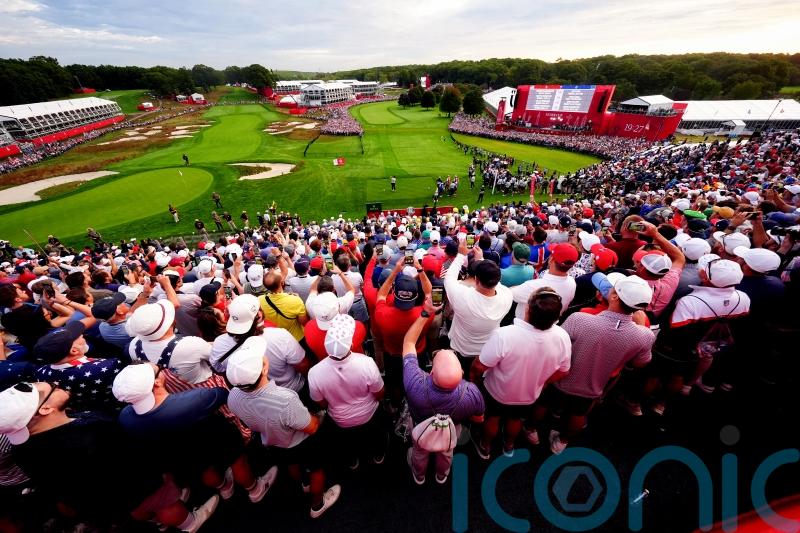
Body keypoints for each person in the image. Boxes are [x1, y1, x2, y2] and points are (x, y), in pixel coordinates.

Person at [0, 382, 216, 532]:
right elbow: (133, 456)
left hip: (106, 499)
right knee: (166, 505)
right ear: (46, 409)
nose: (56, 384)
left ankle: (158, 520)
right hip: (137, 484)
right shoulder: (91, 436)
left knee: (140, 510)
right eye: (52, 389)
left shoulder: (21, 448)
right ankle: (189, 523)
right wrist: (159, 471)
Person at [225, 340, 340, 518]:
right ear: (264, 369)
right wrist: (318, 416)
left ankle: (304, 483)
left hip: (274, 444)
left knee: (292, 464)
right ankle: (318, 504)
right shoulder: (284, 399)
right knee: (317, 470)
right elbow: (312, 427)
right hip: (301, 443)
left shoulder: (232, 397)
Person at [545, 275, 656, 453]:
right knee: (578, 414)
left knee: (546, 404)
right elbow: (640, 363)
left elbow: (555, 345)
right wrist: (641, 327)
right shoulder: (644, 335)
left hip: (560, 379)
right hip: (593, 388)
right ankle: (562, 442)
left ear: (614, 296)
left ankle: (533, 429)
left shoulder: (579, 319)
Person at [470, 288, 570, 459]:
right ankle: (509, 446)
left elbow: (479, 366)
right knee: (515, 419)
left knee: (493, 418)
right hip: (528, 395)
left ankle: (485, 447)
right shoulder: (562, 337)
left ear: (528, 309)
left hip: (497, 391)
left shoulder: (505, 335)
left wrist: (475, 384)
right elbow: (564, 371)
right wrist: (543, 383)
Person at [403, 297, 485, 484]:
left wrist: (425, 313)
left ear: (431, 372)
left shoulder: (415, 383)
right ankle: (442, 475)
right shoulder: (472, 392)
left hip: (420, 425)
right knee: (447, 450)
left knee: (420, 450)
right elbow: (479, 418)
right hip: (451, 427)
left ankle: (419, 475)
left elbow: (408, 343)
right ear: (462, 373)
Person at [308, 314, 387, 470]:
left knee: (347, 445)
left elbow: (321, 403)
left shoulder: (314, 373)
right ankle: (378, 455)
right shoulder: (366, 363)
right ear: (350, 344)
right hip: (370, 414)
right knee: (376, 439)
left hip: (340, 420)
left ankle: (352, 461)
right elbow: (379, 393)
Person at [444, 237, 513, 373]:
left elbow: (449, 279)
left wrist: (461, 255)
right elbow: (496, 282)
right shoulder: (507, 296)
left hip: (461, 349)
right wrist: (481, 260)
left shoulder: (462, 296)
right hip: (486, 351)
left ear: (476, 280)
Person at [33, 322, 125, 411]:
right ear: (74, 351)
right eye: (80, 337)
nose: (82, 335)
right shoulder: (108, 366)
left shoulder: (40, 373)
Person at [511, 243, 578, 319]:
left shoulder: (533, 286)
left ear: (551, 259)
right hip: (552, 322)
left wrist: (515, 287)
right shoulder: (572, 282)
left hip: (526, 323)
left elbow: (511, 294)